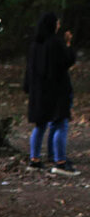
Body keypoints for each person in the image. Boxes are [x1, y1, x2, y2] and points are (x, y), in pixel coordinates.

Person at [24, 12, 78, 175]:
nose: (59, 25)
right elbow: (67, 61)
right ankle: (60, 162)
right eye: (57, 23)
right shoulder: (55, 43)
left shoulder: (35, 45)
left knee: (40, 125)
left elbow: (29, 70)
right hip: (57, 91)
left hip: (39, 91)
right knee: (60, 123)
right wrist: (68, 43)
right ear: (52, 25)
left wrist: (28, 88)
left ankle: (35, 160)